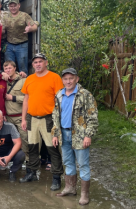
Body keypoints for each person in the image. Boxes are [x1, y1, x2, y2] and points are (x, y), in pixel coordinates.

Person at [52, 68, 98, 205]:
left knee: (83, 164)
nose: (68, 81)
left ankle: (84, 194)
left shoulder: (85, 95)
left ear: (76, 79)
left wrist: (88, 135)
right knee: (68, 163)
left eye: (71, 78)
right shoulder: (59, 95)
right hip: (63, 134)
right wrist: (55, 134)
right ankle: (70, 188)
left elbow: (92, 116)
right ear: (62, 80)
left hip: (80, 135)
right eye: (65, 79)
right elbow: (55, 115)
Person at [20, 53, 64, 191]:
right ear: (32, 65)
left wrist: (58, 120)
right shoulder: (30, 79)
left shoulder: (54, 77)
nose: (38, 64)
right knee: (32, 147)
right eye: (35, 62)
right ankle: (31, 173)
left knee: (52, 148)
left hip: (48, 118)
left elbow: (60, 100)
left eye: (40, 61)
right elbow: (26, 99)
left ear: (46, 62)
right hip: (32, 118)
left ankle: (56, 177)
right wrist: (23, 118)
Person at [1, 0, 38, 74]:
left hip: (22, 45)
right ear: (9, 7)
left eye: (15, 6)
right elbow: (3, 31)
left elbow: (35, 27)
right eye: (11, 6)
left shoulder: (24, 15)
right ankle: (10, 84)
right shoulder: (5, 17)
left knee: (23, 67)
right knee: (9, 67)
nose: (13, 8)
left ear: (19, 5)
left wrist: (29, 29)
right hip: (9, 45)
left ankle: (23, 83)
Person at [3, 60, 29, 164]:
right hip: (7, 117)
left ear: (15, 68)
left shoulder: (23, 80)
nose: (8, 70)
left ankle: (28, 161)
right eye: (6, 69)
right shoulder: (3, 80)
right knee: (10, 141)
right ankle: (14, 160)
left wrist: (12, 98)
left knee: (25, 140)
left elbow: (28, 98)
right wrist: (1, 73)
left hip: (20, 116)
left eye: (10, 68)